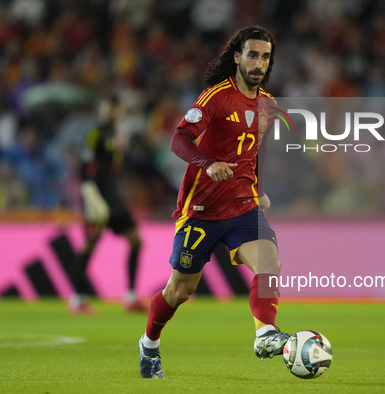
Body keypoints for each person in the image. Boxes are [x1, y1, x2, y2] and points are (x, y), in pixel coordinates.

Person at [137, 25, 288, 379]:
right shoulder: (215, 96)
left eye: (265, 57)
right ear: (237, 57)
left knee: (270, 262)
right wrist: (208, 163)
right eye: (252, 55)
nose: (259, 63)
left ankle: (265, 333)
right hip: (201, 212)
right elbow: (178, 139)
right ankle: (149, 343)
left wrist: (260, 188)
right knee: (179, 291)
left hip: (242, 206)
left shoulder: (268, 105)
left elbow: (258, 150)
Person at [69, 96, 147, 314]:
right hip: (96, 195)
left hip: (113, 197)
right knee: (89, 245)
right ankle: (77, 300)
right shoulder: (95, 134)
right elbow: (84, 167)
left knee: (136, 240)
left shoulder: (116, 134)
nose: (111, 112)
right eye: (108, 108)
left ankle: (131, 297)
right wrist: (89, 194)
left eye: (114, 108)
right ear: (102, 110)